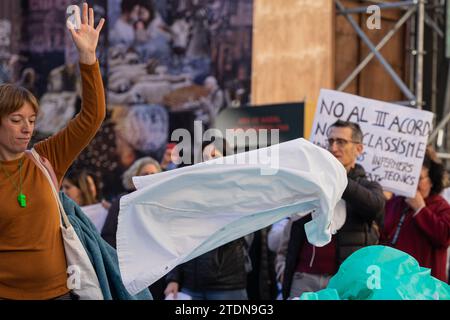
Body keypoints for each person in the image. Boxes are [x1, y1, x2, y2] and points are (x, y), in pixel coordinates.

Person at [0, 3, 105, 300]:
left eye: (32, 121)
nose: (27, 129)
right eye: (16, 120)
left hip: (59, 293)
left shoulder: (45, 157)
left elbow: (92, 117)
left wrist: (88, 58)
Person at [276, 120, 385, 299]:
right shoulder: (312, 182)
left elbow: (375, 207)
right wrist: (282, 269)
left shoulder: (368, 186)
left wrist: (339, 179)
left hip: (342, 282)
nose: (333, 148)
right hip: (302, 279)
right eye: (331, 141)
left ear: (359, 149)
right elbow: (290, 228)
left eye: (341, 142)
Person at [164, 139, 250, 300]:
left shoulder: (238, 188)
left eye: (214, 155)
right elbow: (178, 238)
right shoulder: (188, 192)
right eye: (205, 156)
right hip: (191, 286)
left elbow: (243, 232)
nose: (209, 160)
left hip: (226, 286)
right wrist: (174, 278)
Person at [382, 150, 450, 283]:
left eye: (418, 179)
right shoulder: (396, 202)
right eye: (409, 178)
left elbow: (444, 237)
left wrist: (420, 209)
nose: (413, 184)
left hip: (424, 286)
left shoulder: (442, 206)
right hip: (394, 281)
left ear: (432, 180)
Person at [62, 168, 110, 232]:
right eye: (62, 187)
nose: (63, 191)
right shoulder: (64, 212)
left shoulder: (104, 211)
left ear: (81, 189)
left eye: (67, 187)